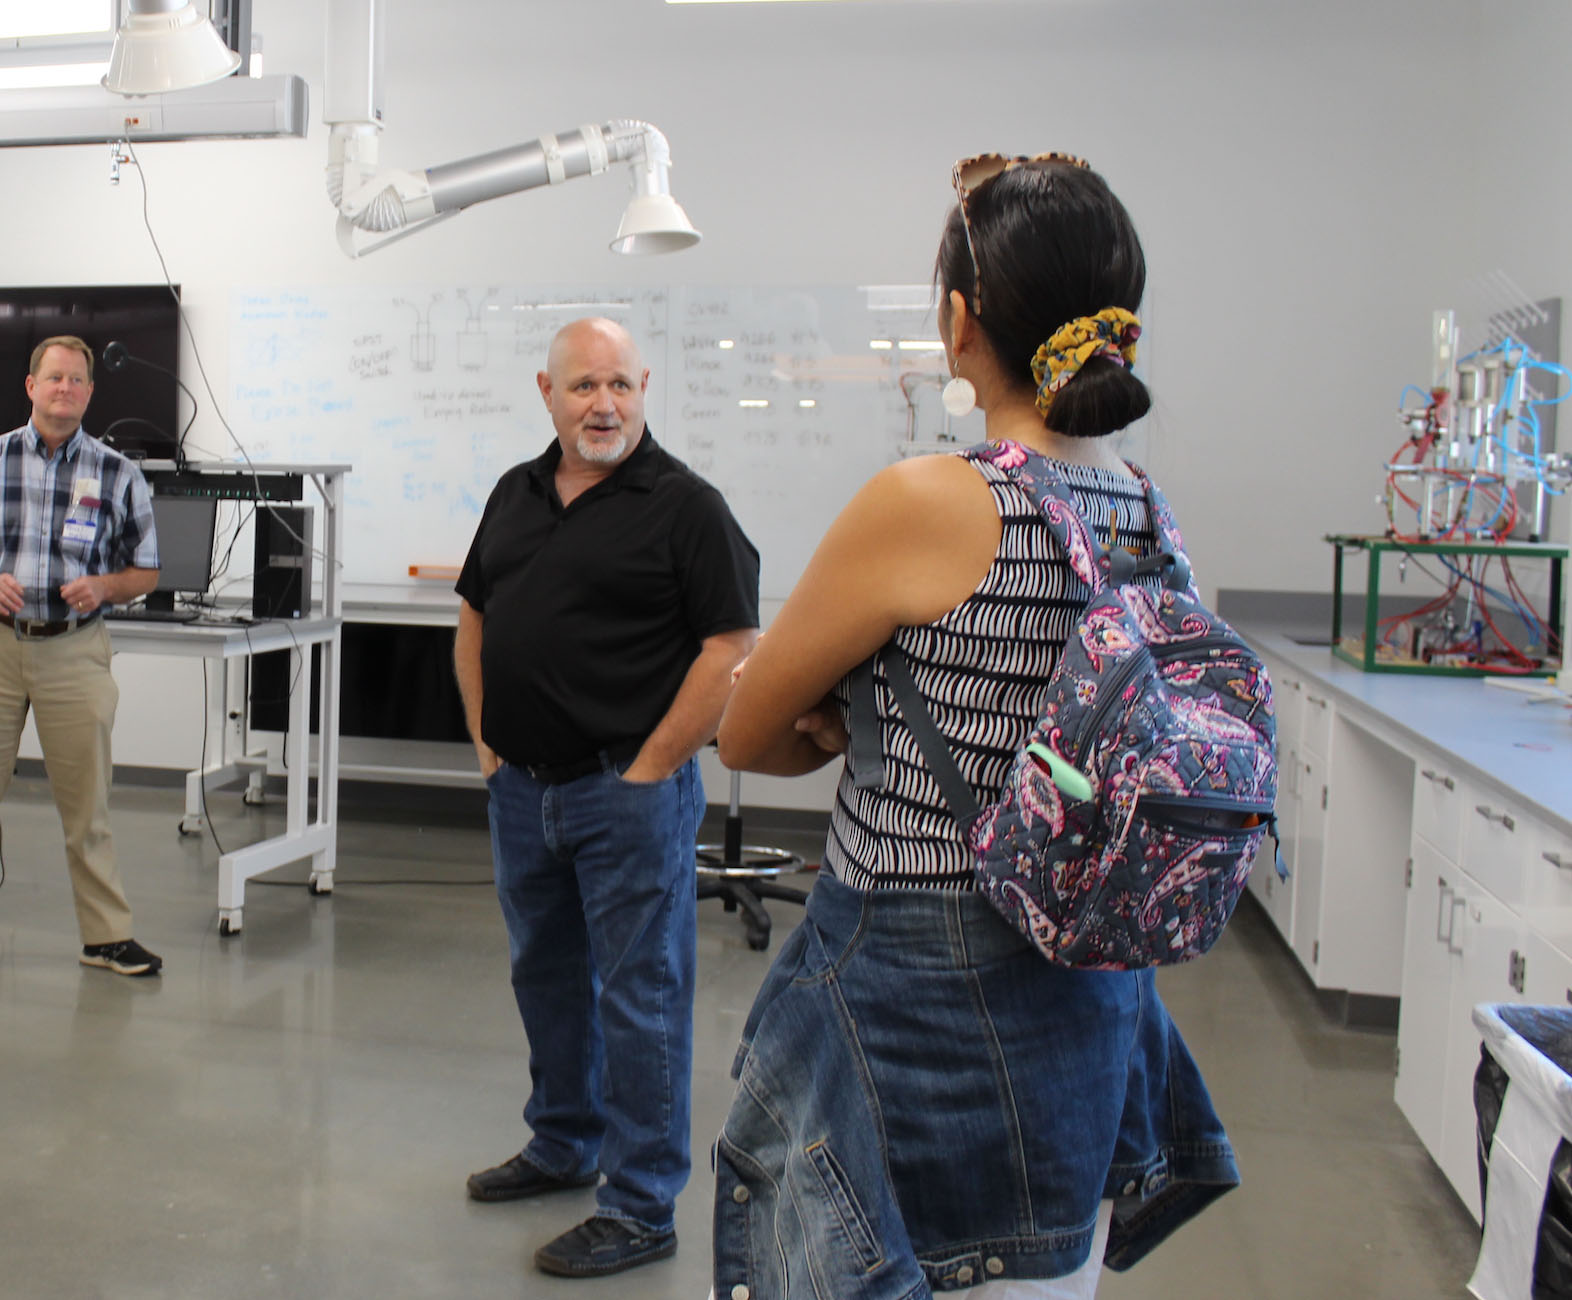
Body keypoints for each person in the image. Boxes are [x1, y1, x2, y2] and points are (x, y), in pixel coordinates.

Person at [708, 155, 1238, 1298]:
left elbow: (745, 730)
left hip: (917, 975)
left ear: (958, 322)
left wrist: (841, 719)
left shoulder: (934, 499)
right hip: (1097, 986)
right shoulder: (1153, 516)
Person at [453, 317, 760, 1279]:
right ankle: (564, 1144)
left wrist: (651, 768)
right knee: (544, 975)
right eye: (585, 386)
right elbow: (474, 616)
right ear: (546, 392)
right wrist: (487, 746)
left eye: (622, 385)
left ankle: (640, 1204)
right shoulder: (515, 492)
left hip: (624, 794)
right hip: (523, 792)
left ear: (645, 387)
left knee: (642, 997)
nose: (605, 404)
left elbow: (729, 647)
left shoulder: (686, 507)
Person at [0, 336, 165, 980]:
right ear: (30, 386)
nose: (65, 390)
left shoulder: (117, 473)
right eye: (54, 378)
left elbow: (148, 571)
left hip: (75, 649)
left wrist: (104, 586)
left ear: (90, 394)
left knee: (88, 805)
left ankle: (105, 939)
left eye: (77, 381)